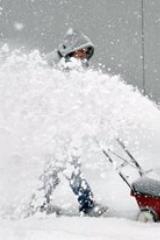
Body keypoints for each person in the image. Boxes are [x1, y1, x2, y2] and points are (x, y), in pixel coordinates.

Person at [29, 29, 106, 217]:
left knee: (55, 169)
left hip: (66, 128)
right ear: (71, 50)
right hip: (55, 128)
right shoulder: (58, 66)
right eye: (81, 51)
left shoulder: (75, 69)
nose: (84, 55)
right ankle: (87, 205)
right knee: (69, 167)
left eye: (87, 52)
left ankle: (39, 204)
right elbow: (46, 87)